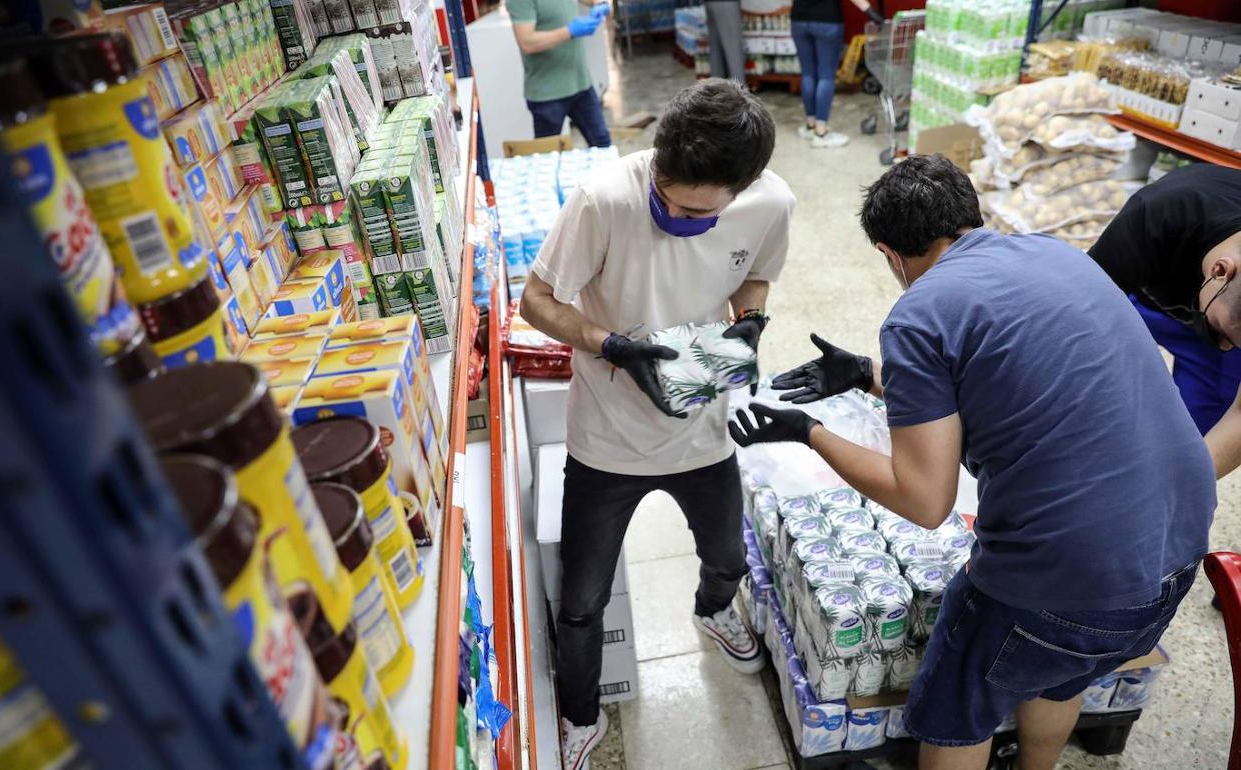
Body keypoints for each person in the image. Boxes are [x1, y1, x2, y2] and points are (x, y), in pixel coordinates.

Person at [729, 154, 1214, 770]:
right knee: (1059, 675)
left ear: (889, 253)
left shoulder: (920, 311)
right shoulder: (1058, 254)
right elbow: (1006, 379)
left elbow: (924, 500)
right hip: (1176, 551)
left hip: (1065, 574)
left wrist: (809, 431)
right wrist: (869, 378)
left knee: (956, 708)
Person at [519, 79, 794, 770]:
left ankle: (711, 612)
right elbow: (536, 300)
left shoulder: (771, 204)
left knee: (728, 560)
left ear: (743, 187)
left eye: (698, 213)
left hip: (700, 426)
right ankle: (581, 715)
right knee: (581, 603)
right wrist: (605, 342)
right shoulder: (605, 198)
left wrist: (751, 320)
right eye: (666, 199)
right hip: (605, 440)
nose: (675, 216)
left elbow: (754, 276)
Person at [1089, 163, 1241, 477]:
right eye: (1227, 334)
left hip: (1204, 307)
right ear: (1221, 271)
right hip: (1140, 304)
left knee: (1194, 437)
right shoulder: (1158, 213)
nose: (1226, 347)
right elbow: (1077, 318)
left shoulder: (1228, 327)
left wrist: (1175, 487)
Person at [508, 0, 612, 146]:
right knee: (547, 157)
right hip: (548, 94)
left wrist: (601, 4)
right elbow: (527, 42)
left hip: (581, 83)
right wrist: (569, 31)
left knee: (602, 144)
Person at [790, 0, 882, 149]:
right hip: (827, 20)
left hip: (799, 19)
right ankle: (821, 133)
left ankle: (810, 125)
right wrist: (871, 13)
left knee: (807, 74)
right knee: (826, 76)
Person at [705, 0, 744, 81]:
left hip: (710, 4)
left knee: (716, 51)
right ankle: (738, 91)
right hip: (726, 4)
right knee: (734, 52)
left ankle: (716, 90)